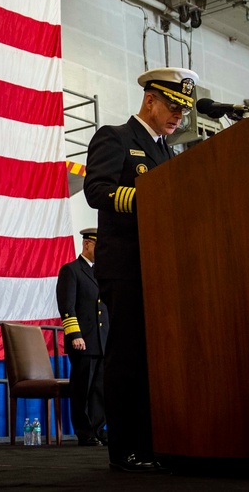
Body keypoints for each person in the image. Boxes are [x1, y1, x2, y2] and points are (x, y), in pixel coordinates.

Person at [83, 67, 198, 472]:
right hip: (127, 265)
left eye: (183, 112)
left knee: (158, 358)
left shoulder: (169, 153)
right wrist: (150, 199)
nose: (178, 118)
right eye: (172, 107)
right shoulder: (115, 137)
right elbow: (96, 191)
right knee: (128, 356)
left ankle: (156, 441)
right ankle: (127, 447)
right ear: (150, 99)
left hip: (161, 266)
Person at [56, 227, 108, 447]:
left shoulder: (103, 273)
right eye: (99, 246)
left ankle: (98, 429)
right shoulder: (72, 270)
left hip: (102, 340)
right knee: (82, 388)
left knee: (99, 389)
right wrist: (74, 334)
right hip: (83, 340)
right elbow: (67, 306)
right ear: (87, 244)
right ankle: (84, 431)